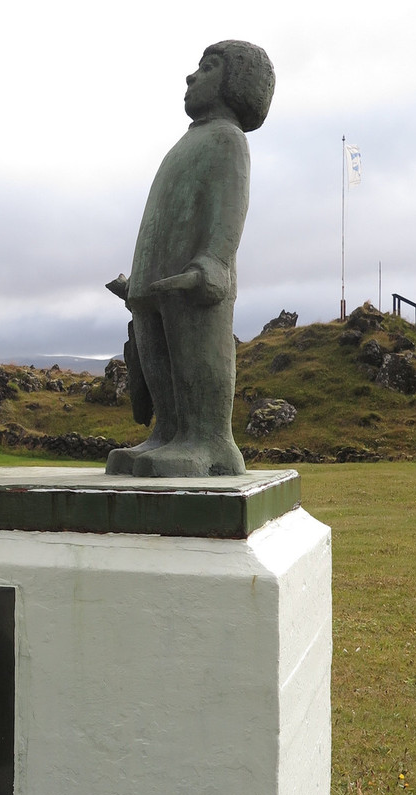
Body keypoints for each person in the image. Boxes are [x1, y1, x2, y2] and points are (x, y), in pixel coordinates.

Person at [106, 41, 275, 477]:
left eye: (208, 67)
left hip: (194, 278)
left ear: (235, 83)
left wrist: (214, 262)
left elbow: (228, 208)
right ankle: (169, 431)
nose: (191, 76)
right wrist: (139, 280)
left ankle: (208, 440)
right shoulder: (188, 142)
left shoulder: (227, 139)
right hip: (157, 278)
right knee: (154, 353)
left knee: (197, 351)